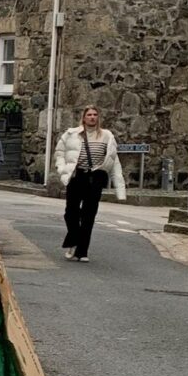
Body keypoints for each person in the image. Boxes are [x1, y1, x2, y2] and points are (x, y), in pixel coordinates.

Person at [53, 104, 126, 262]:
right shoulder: (72, 134)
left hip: (96, 177)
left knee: (88, 215)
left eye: (95, 114)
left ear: (98, 117)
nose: (92, 117)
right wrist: (62, 169)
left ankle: (82, 251)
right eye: (89, 115)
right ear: (84, 118)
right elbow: (59, 152)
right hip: (77, 176)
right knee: (70, 212)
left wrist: (120, 190)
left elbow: (114, 162)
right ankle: (73, 239)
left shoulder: (107, 136)